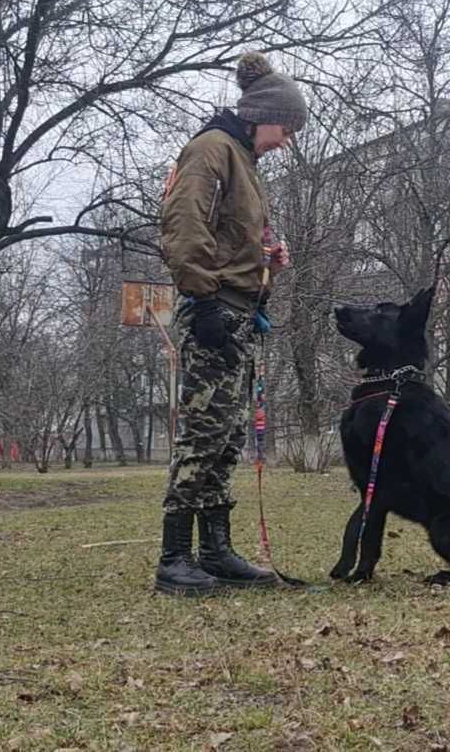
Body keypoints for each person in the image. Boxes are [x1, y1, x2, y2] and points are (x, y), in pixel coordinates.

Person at [155, 51, 308, 596]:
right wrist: (205, 299)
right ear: (261, 114)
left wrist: (268, 258)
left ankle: (215, 552)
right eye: (286, 128)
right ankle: (174, 558)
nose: (286, 140)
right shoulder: (210, 150)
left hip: (241, 311)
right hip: (213, 313)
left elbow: (233, 236)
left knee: (226, 436)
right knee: (202, 432)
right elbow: (182, 227)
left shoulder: (244, 161)